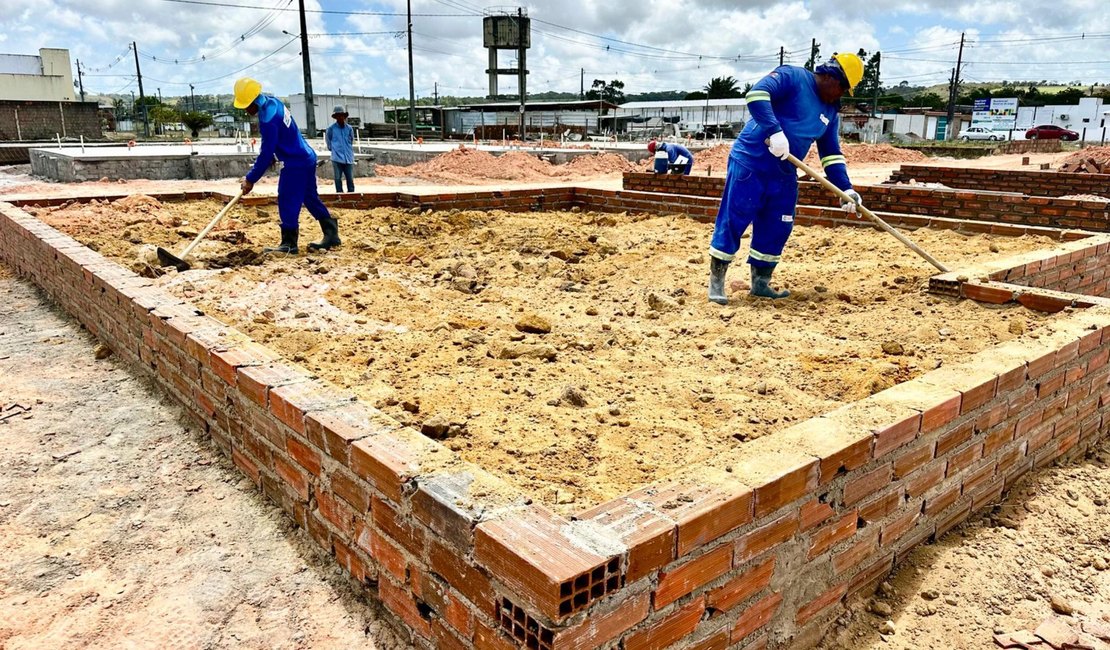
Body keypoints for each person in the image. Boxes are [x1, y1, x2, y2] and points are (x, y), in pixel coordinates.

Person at [707, 52, 864, 303]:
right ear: (829, 75)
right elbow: (756, 95)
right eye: (843, 86)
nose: (842, 93)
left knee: (778, 226)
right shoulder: (793, 77)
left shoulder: (830, 112)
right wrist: (775, 131)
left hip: (784, 173)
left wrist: (846, 189)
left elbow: (831, 154)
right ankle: (716, 282)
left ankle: (760, 283)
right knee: (734, 219)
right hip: (751, 162)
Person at [232, 77, 341, 254]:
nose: (245, 110)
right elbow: (281, 137)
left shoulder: (268, 120)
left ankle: (289, 244)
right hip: (306, 156)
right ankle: (331, 234)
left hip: (295, 162)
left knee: (287, 198)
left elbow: (265, 153)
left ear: (253, 101)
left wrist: (250, 179)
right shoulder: (273, 103)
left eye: (245, 105)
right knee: (310, 197)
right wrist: (275, 151)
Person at [325, 105, 355, 193]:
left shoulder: (349, 129)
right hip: (337, 158)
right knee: (338, 179)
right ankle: (339, 196)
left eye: (342, 116)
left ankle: (352, 196)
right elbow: (328, 141)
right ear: (336, 117)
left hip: (348, 158)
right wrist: (334, 150)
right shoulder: (331, 129)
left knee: (350, 179)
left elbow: (351, 141)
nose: (340, 118)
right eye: (338, 116)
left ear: (344, 117)